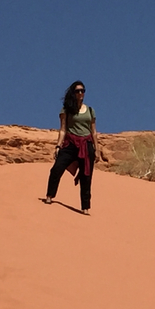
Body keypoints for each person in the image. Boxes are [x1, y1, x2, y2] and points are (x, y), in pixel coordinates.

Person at [45, 81, 99, 214]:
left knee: (86, 176)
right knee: (57, 169)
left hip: (86, 145)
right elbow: (63, 129)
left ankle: (85, 207)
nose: (80, 93)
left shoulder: (91, 110)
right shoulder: (66, 110)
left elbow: (93, 131)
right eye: (77, 91)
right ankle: (49, 196)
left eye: (82, 90)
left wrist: (97, 149)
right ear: (73, 93)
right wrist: (58, 145)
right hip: (70, 143)